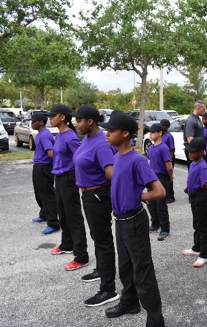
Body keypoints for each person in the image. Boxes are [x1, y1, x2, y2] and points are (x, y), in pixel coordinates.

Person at [100, 110, 166, 326]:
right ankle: (130, 302)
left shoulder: (137, 160)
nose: (107, 134)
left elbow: (159, 191)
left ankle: (155, 320)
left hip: (134, 221)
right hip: (120, 221)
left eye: (111, 131)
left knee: (142, 271)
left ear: (125, 133)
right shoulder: (115, 156)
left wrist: (139, 195)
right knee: (125, 267)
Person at [72, 105, 118, 307]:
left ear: (90, 121)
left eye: (79, 121)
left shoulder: (100, 143)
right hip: (88, 194)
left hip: (97, 194)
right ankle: (102, 269)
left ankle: (108, 290)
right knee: (97, 237)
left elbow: (112, 174)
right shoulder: (88, 139)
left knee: (103, 240)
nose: (76, 124)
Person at [47, 104, 89, 271]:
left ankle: (81, 256)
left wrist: (78, 180)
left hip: (68, 179)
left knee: (74, 217)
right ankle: (67, 244)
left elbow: (79, 159)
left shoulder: (70, 137)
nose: (50, 118)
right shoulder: (60, 135)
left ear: (62, 117)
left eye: (53, 115)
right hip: (59, 178)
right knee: (63, 214)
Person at [182, 137, 207, 268]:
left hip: (200, 197)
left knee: (201, 225)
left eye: (193, 152)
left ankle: (204, 254)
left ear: (201, 151)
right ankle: (196, 248)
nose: (190, 154)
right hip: (194, 197)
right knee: (196, 223)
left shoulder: (201, 166)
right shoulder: (193, 163)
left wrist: (201, 186)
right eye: (189, 151)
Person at [30, 112, 60, 235]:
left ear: (41, 122)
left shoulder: (45, 135)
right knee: (39, 193)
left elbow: (51, 154)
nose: (31, 123)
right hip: (38, 166)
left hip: (44, 167)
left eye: (33, 121)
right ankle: (44, 214)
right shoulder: (41, 134)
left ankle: (53, 223)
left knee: (47, 195)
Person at [147, 123, 173, 241]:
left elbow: (169, 166)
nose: (151, 135)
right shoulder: (151, 148)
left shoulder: (163, 148)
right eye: (150, 132)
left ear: (160, 133)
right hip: (151, 178)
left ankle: (165, 228)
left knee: (161, 204)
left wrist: (169, 177)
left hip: (161, 177)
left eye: (153, 132)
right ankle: (155, 223)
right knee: (151, 203)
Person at [183, 100, 206, 168]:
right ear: (198, 109)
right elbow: (190, 138)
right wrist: (197, 151)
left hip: (198, 150)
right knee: (194, 171)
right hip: (194, 151)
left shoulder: (197, 119)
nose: (204, 111)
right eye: (203, 109)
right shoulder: (191, 120)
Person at [160, 119, 175, 203]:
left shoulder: (169, 136)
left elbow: (172, 149)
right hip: (162, 159)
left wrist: (170, 160)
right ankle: (165, 194)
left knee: (169, 177)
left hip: (168, 158)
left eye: (163, 125)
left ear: (167, 126)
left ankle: (170, 196)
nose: (162, 127)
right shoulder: (161, 135)